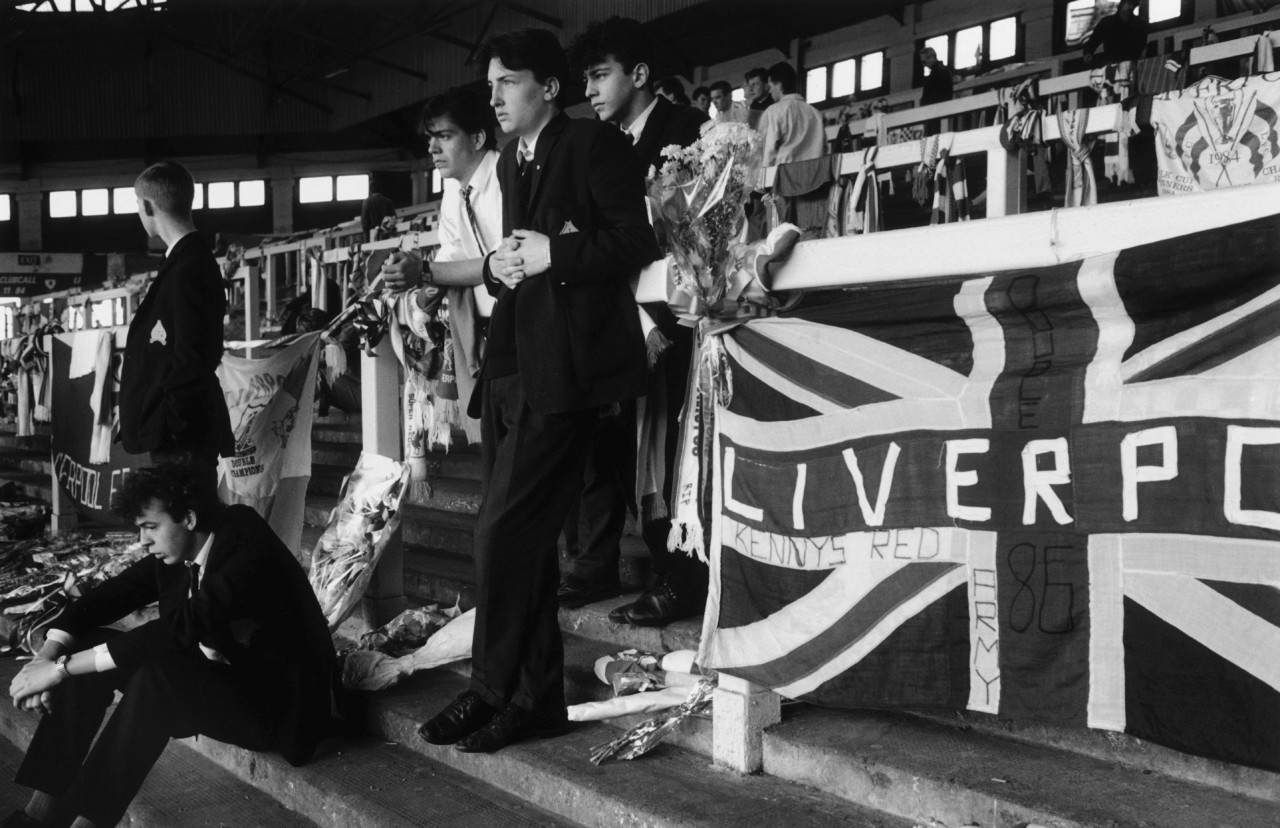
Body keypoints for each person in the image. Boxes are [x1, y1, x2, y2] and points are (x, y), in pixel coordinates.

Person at [416, 29, 658, 754]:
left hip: (567, 372)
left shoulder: (592, 144)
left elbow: (637, 240)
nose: (494, 97)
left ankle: (494, 689)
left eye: (508, 82)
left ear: (549, 88)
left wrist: (559, 252)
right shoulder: (516, 160)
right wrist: (501, 268)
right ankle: (535, 698)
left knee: (502, 536)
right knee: (513, 542)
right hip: (513, 364)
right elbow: (520, 258)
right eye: (491, 84)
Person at [5, 464, 337, 828]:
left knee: (156, 677)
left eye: (150, 527)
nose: (143, 541)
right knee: (86, 646)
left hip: (279, 704)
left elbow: (178, 629)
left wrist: (59, 671)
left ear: (189, 518)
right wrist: (46, 658)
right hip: (220, 676)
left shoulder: (247, 547)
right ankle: (40, 814)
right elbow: (107, 597)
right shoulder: (180, 547)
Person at [571, 15, 709, 626]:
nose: (590, 91)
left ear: (641, 74)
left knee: (677, 448)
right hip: (622, 322)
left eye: (601, 75)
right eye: (586, 79)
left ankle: (685, 579)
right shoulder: (600, 144)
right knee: (632, 450)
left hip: (680, 321)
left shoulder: (690, 131)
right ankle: (662, 564)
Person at [379, 85, 504, 426]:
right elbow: (452, 253)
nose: (432, 148)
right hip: (490, 329)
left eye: (444, 136)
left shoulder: (504, 178)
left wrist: (424, 271)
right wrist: (417, 289)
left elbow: (502, 264)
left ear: (477, 138)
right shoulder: (453, 188)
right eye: (430, 138)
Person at [117, 161, 234, 494]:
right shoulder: (183, 260)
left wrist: (171, 421)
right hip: (177, 431)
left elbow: (191, 357)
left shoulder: (190, 266)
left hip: (181, 435)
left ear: (147, 206)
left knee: (190, 518)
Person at [759, 61, 828, 168]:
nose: (769, 91)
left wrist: (764, 171)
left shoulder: (774, 111)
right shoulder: (815, 112)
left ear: (779, 85)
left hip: (786, 173)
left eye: (770, 86)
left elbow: (769, 149)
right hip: (814, 172)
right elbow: (824, 147)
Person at [1083, 0, 1148, 65]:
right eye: (1129, 4)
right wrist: (1088, 53)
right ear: (1122, 4)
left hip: (1132, 63)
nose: (1131, 7)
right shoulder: (1107, 22)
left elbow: (1143, 45)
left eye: (1134, 5)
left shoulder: (1139, 24)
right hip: (1112, 63)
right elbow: (1094, 40)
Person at [918, 46, 954, 136]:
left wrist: (925, 103)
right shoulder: (940, 70)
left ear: (931, 58)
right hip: (936, 111)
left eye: (924, 62)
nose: (924, 65)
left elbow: (937, 94)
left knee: (934, 137)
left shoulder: (938, 71)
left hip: (936, 112)